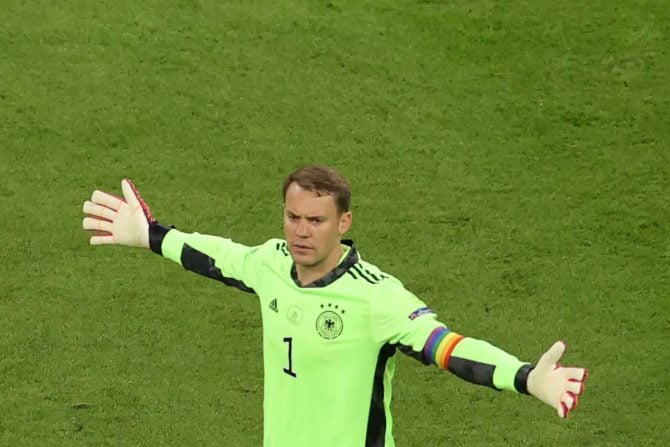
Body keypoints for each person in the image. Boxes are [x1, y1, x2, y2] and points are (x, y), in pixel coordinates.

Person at [82, 165, 587, 447]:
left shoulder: (377, 297)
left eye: (317, 220)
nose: (301, 231)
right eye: (293, 217)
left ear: (344, 223)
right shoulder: (271, 263)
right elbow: (214, 255)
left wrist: (525, 377)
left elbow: (450, 348)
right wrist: (151, 235)